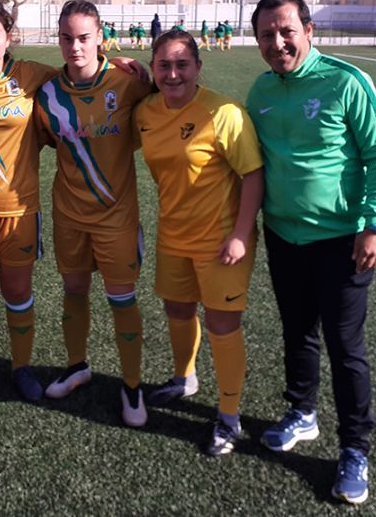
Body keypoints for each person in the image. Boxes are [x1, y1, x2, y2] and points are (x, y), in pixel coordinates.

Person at [0, 0, 147, 408]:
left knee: (19, 294)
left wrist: (127, 63)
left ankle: (22, 368)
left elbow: (84, 77)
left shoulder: (35, 77)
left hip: (20, 209)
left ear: (9, 37)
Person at [245, 0, 376, 505]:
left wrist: (374, 224)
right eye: (267, 34)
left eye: (287, 30)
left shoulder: (347, 81)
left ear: (309, 30)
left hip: (343, 241)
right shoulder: (260, 91)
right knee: (297, 332)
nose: (278, 41)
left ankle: (355, 448)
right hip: (284, 236)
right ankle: (302, 413)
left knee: (344, 345)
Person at [134, 30, 264, 455]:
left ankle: (228, 416)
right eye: (163, 66)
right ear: (153, 69)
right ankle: (183, 378)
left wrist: (241, 234)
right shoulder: (147, 111)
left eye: (181, 65)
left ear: (197, 67)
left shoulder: (224, 112)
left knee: (222, 324)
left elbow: (252, 174)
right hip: (173, 234)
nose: (173, 74)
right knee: (177, 308)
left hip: (220, 241)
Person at [34, 0, 152, 427]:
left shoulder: (127, 82)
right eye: (67, 38)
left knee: (122, 300)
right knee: (74, 292)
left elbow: (160, 106)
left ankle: (133, 386)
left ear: (100, 36)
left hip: (116, 216)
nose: (75, 47)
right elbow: (46, 140)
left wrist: (146, 72)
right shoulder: (46, 94)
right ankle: (77, 365)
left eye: (84, 37)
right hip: (69, 215)